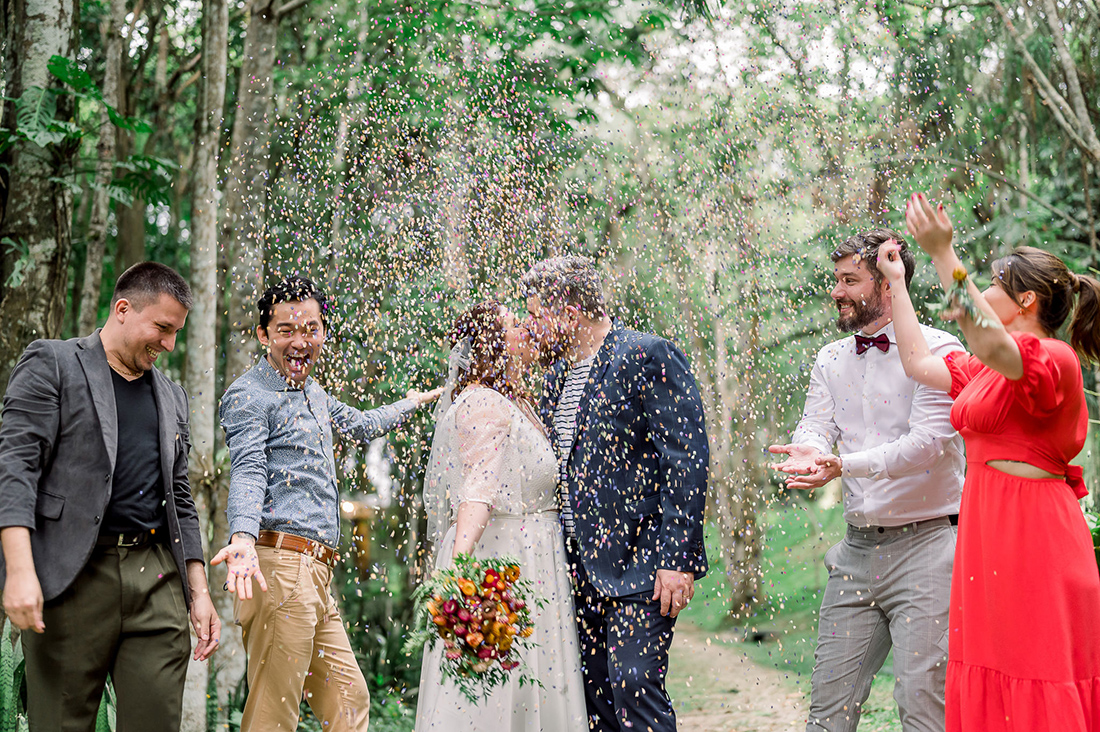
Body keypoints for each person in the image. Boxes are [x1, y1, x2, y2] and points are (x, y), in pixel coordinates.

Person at [877, 193, 1100, 732]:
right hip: (988, 538)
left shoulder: (1054, 360)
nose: (985, 291)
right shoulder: (985, 369)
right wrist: (898, 286)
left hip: (1036, 540)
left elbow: (1000, 347)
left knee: (1036, 674)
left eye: (994, 285)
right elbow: (916, 361)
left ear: (1024, 300)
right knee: (992, 673)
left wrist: (944, 256)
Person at [212, 276, 441, 732]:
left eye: (311, 329)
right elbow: (250, 470)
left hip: (316, 574)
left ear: (323, 332)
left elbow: (359, 424)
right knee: (274, 717)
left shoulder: (314, 392)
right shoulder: (249, 395)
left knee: (349, 701)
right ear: (263, 334)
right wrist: (241, 536)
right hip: (278, 567)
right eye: (285, 330)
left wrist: (410, 404)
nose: (299, 341)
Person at [0, 262, 220, 731]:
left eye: (177, 332)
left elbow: (180, 497)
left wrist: (199, 593)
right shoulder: (53, 363)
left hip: (157, 578)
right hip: (72, 578)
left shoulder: (172, 395)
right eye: (162, 328)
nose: (169, 344)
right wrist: (19, 571)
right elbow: (15, 467)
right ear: (123, 309)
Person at [769, 229, 965, 732]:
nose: (836, 291)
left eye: (850, 280)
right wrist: (810, 452)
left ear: (887, 283)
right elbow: (817, 425)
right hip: (856, 553)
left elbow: (927, 444)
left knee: (923, 707)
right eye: (836, 279)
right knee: (828, 709)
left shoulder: (942, 349)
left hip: (930, 549)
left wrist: (843, 466)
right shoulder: (831, 358)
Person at [519, 256, 709, 732]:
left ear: (569, 309)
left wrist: (676, 557)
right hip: (572, 572)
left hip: (641, 564)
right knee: (594, 700)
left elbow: (685, 460)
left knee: (634, 687)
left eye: (536, 314)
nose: (531, 327)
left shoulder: (647, 354)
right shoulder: (555, 377)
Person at [414, 301, 587, 731]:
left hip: (533, 560)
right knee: (493, 697)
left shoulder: (515, 400)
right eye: (514, 325)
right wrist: (458, 575)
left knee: (532, 694)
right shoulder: (483, 404)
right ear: (491, 344)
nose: (526, 330)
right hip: (505, 566)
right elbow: (478, 490)